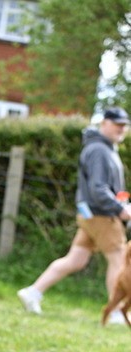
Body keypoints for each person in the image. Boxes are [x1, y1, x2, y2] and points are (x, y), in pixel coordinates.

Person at [18, 107, 131, 322]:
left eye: (124, 125)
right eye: (117, 124)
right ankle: (116, 312)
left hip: (90, 215)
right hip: (102, 215)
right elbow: (98, 188)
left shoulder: (102, 147)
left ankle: (33, 292)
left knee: (75, 259)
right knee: (118, 259)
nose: (121, 129)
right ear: (104, 123)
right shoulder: (99, 150)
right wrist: (120, 209)